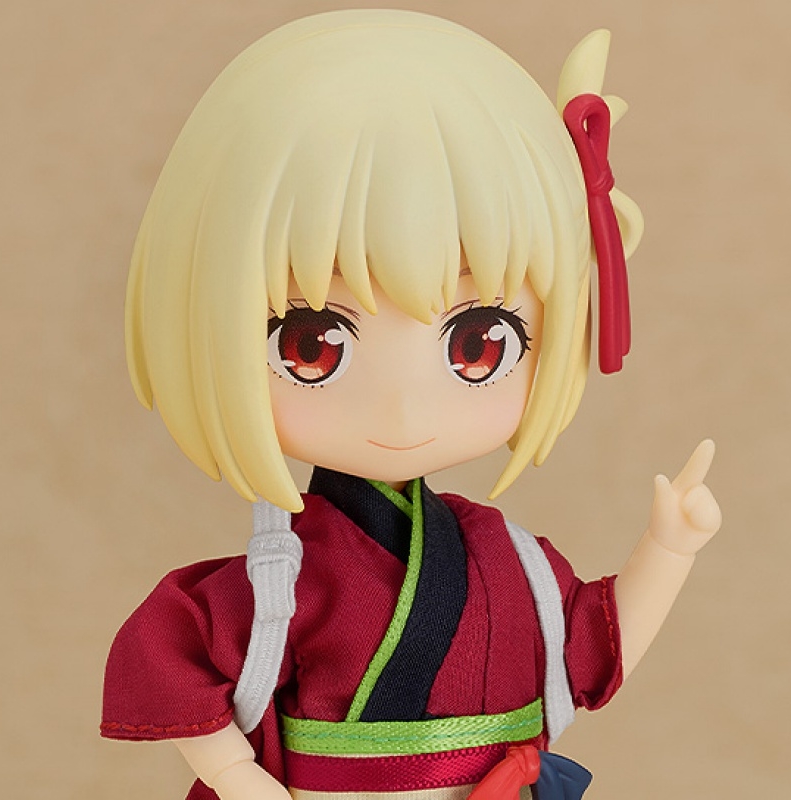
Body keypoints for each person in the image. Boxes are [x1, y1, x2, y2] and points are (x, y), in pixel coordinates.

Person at [101, 11, 721, 800]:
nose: (400, 408)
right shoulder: (279, 579)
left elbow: (593, 652)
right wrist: (232, 772)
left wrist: (668, 549)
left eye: (477, 344)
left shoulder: (512, 562)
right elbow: (174, 662)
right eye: (312, 345)